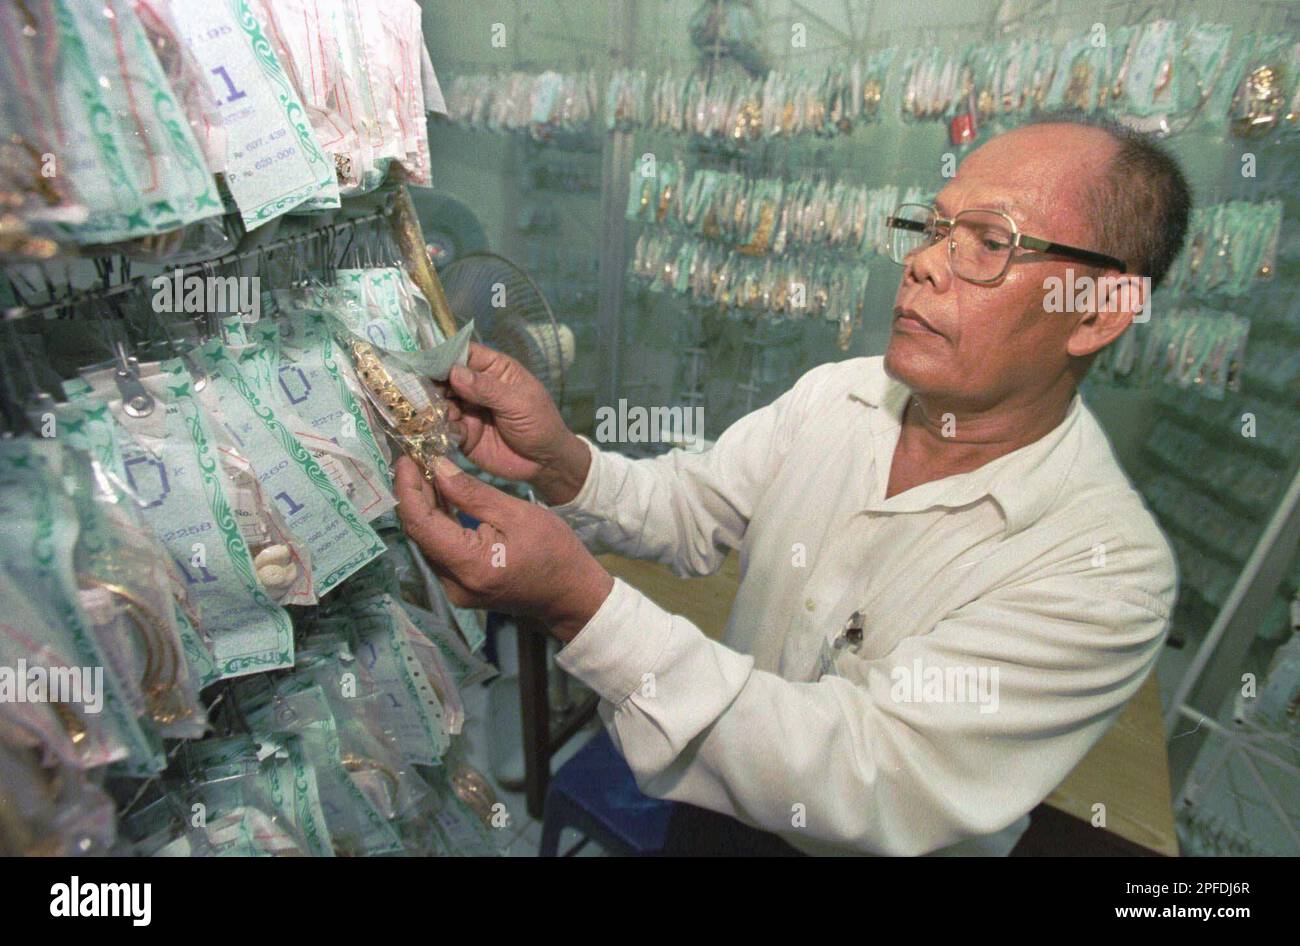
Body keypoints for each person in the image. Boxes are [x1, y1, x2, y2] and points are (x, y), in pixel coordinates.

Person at [394, 116, 1190, 855]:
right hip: (711, 808)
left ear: (1095, 311)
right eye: (932, 229)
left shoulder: (1107, 572)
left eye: (988, 242)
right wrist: (561, 459)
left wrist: (577, 602)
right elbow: (691, 506)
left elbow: (866, 768)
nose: (921, 263)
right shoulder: (840, 395)